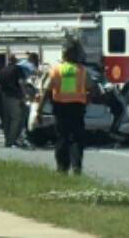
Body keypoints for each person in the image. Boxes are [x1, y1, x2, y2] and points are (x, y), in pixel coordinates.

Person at [37, 43, 92, 174]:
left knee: (62, 138)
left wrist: (39, 110)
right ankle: (77, 167)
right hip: (77, 108)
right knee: (77, 139)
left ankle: (62, 168)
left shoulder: (56, 70)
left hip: (61, 109)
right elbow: (91, 89)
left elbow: (46, 91)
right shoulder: (82, 71)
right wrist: (86, 102)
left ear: (64, 55)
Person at [0, 54, 27, 148]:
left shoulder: (3, 70)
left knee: (7, 119)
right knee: (16, 119)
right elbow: (21, 82)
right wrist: (24, 95)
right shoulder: (17, 69)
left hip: (4, 96)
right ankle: (12, 140)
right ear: (15, 61)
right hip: (15, 96)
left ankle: (7, 140)